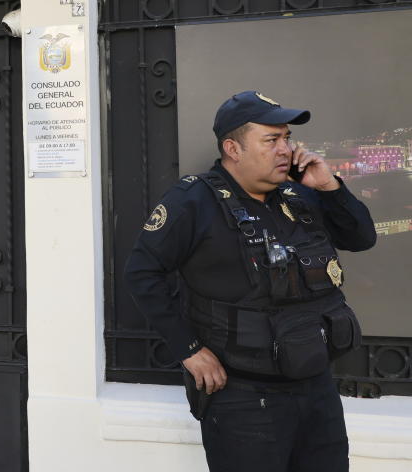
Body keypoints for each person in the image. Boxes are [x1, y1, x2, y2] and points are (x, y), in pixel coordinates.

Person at [125, 91, 376, 472]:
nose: (285, 150)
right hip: (244, 398)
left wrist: (330, 187)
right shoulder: (193, 201)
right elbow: (142, 273)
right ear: (233, 148)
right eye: (271, 140)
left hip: (317, 389)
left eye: (287, 138)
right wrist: (188, 349)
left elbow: (361, 239)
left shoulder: (299, 195)